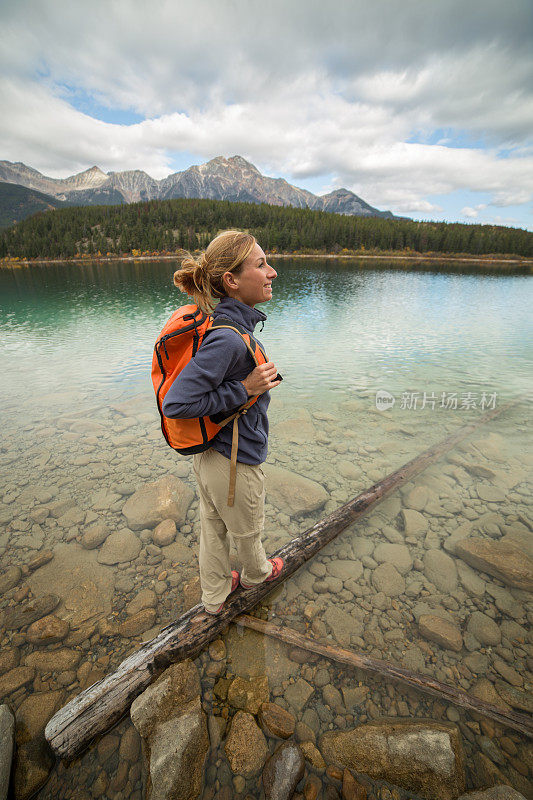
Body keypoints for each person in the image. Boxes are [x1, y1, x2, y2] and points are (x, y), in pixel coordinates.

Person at [162, 229, 284, 614]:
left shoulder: (228, 326)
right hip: (233, 460)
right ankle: (256, 576)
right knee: (247, 531)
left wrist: (245, 386)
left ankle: (215, 597)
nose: (272, 272)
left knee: (213, 529)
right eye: (261, 264)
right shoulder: (229, 338)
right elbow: (177, 403)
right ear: (231, 281)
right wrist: (245, 388)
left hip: (211, 454)